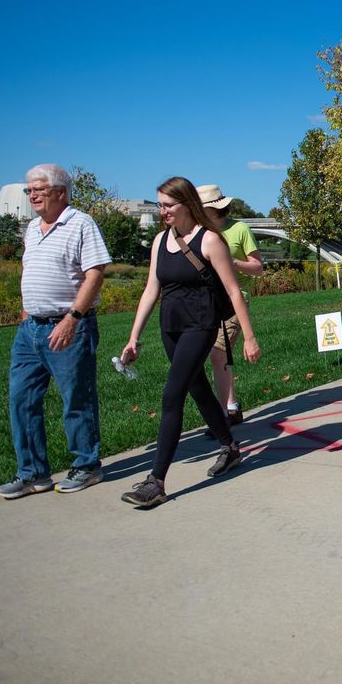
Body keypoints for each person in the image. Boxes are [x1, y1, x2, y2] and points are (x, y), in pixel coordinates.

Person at [118, 177, 261, 508]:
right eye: (159, 206)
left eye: (168, 206)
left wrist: (249, 337)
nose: (162, 212)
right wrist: (134, 336)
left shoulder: (210, 241)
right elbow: (152, 288)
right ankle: (230, 447)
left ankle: (156, 482)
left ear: (186, 205)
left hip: (201, 325)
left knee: (173, 395)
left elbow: (232, 290)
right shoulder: (159, 241)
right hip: (170, 327)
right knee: (198, 388)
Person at [0, 164, 112, 499]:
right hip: (30, 329)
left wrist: (72, 318)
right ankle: (32, 473)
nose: (31, 195)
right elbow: (29, 270)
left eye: (38, 190)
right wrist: (26, 313)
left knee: (76, 398)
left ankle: (87, 465)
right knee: (22, 399)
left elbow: (95, 274)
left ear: (60, 192)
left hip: (69, 326)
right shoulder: (32, 228)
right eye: (28, 190)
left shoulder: (80, 224)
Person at [198, 184, 264, 425]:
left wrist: (231, 263)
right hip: (206, 303)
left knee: (218, 353)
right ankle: (232, 406)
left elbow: (258, 268)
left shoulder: (239, 229)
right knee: (216, 357)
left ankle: (222, 414)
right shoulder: (199, 233)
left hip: (235, 300)